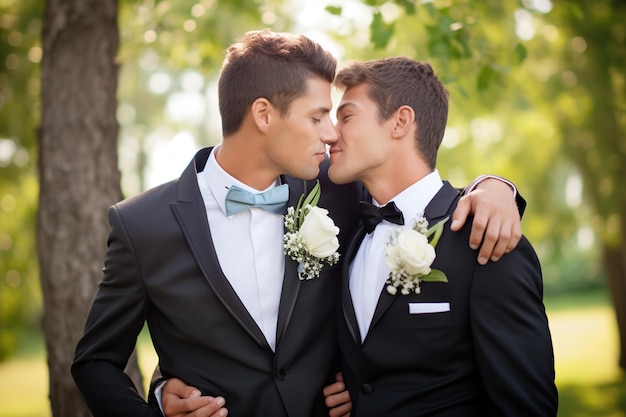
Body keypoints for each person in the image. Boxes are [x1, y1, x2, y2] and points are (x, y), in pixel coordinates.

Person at [71, 30, 524, 417]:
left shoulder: (338, 190)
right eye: (317, 116)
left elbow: (415, 192)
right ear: (264, 115)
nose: (331, 134)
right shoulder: (141, 225)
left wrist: (497, 187)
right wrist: (156, 399)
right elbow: (95, 362)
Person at [322, 57, 558, 416]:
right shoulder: (349, 229)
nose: (329, 133)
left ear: (400, 122)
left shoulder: (484, 238)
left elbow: (526, 405)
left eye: (347, 117)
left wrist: (498, 188)